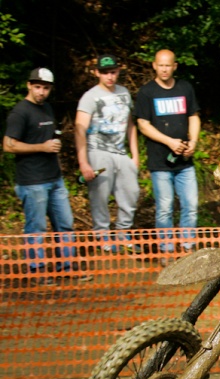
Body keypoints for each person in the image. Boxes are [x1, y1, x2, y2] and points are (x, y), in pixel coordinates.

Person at [3, 68, 83, 283]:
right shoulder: (20, 112)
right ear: (29, 85)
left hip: (54, 178)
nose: (41, 91)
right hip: (31, 180)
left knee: (65, 223)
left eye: (45, 88)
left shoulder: (47, 108)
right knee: (36, 227)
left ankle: (67, 266)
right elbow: (8, 146)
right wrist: (42, 147)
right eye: (37, 87)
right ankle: (36, 270)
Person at [134, 49, 200, 257]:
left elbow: (194, 116)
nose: (164, 69)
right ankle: (166, 250)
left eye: (168, 65)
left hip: (185, 161)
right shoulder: (146, 92)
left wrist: (194, 142)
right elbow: (143, 125)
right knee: (165, 208)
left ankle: (188, 249)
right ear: (154, 66)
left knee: (191, 205)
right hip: (159, 162)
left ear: (174, 66)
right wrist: (169, 142)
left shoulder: (185, 88)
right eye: (160, 65)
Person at [75, 54, 141, 253]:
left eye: (113, 72)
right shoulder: (90, 97)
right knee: (100, 196)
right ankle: (102, 237)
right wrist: (84, 162)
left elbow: (130, 124)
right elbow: (79, 129)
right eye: (105, 73)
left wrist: (135, 154)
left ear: (118, 71)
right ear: (97, 73)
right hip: (98, 150)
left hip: (120, 152)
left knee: (131, 192)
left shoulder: (124, 92)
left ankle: (123, 234)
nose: (109, 76)